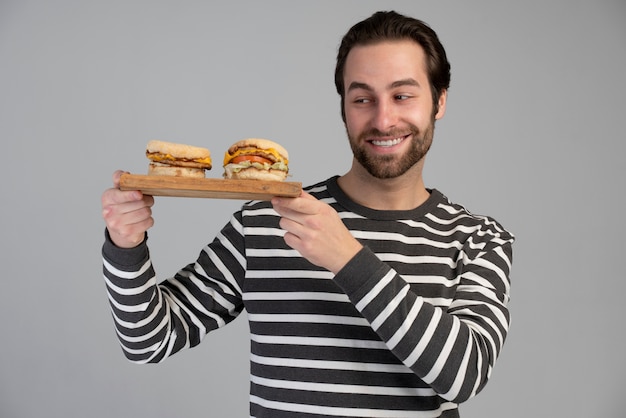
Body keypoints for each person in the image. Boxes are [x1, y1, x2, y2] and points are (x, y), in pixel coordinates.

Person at [101, 10, 514, 418]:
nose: (383, 119)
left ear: (439, 101)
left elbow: (464, 375)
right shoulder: (265, 220)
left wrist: (348, 258)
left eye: (402, 95)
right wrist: (126, 246)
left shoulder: (478, 238)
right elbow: (148, 341)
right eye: (362, 98)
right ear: (344, 108)